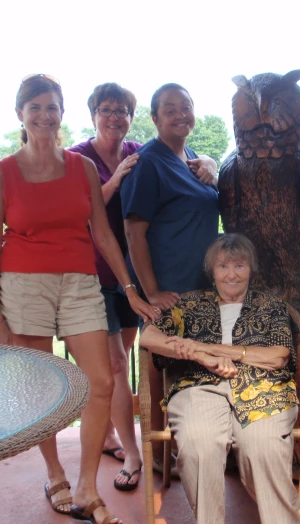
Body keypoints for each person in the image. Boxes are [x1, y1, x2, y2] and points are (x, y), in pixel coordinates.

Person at [0, 74, 158, 524]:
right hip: (23, 286)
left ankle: (86, 488)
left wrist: (130, 287)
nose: (44, 116)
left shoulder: (80, 167)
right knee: (43, 390)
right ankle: (56, 476)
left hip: (80, 283)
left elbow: (101, 233)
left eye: (52, 107)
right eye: (35, 107)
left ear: (63, 113)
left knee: (100, 382)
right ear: (21, 113)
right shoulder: (3, 172)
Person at [141, 234, 300, 524]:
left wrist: (210, 349)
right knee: (198, 439)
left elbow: (278, 356)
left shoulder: (269, 304)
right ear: (212, 270)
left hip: (264, 386)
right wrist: (200, 357)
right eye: (223, 266)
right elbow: (150, 336)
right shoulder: (189, 304)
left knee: (262, 445)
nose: (231, 274)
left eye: (239, 265)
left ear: (251, 268)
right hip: (198, 383)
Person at [121, 82, 219, 475]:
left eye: (187, 106)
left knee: (191, 372)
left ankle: (186, 453)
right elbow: (133, 231)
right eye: (170, 108)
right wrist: (151, 291)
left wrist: (214, 164)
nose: (181, 114)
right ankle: (160, 461)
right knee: (160, 376)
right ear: (155, 118)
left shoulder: (194, 159)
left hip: (200, 288)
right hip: (169, 291)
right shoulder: (149, 162)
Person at [68, 82, 143, 491]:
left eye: (122, 110)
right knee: (113, 367)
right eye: (107, 109)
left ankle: (112, 435)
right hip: (92, 276)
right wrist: (114, 179)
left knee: (122, 358)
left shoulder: (137, 150)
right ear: (94, 114)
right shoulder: (78, 157)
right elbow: (81, 210)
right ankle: (133, 453)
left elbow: (178, 157)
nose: (114, 117)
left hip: (131, 276)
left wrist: (205, 162)